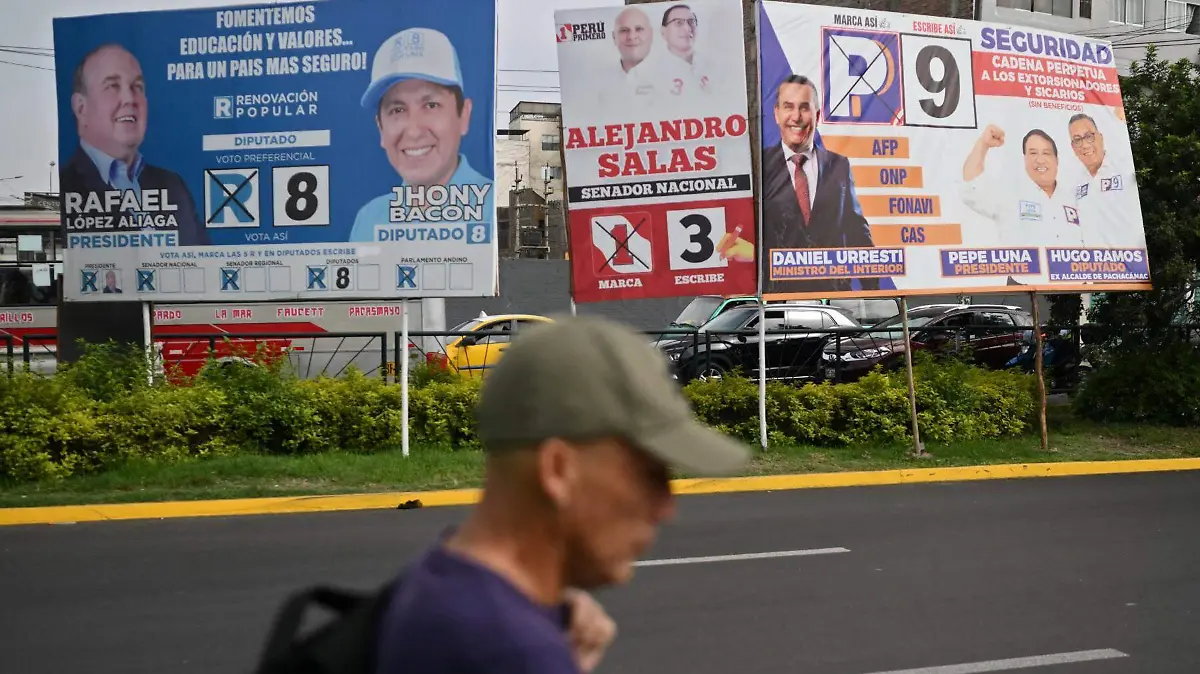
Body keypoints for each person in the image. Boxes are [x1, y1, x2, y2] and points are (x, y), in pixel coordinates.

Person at [372, 315, 750, 674]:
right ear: (557, 470)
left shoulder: (437, 588)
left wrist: (542, 613)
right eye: (649, 476)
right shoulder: (509, 652)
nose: (666, 509)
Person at [350, 27, 494, 243]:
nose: (414, 131)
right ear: (380, 128)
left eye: (431, 105)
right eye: (397, 110)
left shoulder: (493, 210)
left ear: (464, 116)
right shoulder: (369, 220)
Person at [60, 43, 208, 246]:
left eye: (137, 87)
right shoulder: (67, 186)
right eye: (112, 86)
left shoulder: (173, 186)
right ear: (81, 108)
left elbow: (204, 257)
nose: (129, 99)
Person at [761, 74, 877, 294]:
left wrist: (872, 290)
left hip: (832, 296)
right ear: (777, 114)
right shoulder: (760, 166)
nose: (796, 117)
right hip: (777, 298)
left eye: (804, 108)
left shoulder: (839, 165)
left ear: (816, 115)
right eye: (788, 107)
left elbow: (857, 231)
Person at [959, 124, 1085, 285]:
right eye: (1033, 153)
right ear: (1025, 159)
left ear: (1057, 160)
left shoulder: (1074, 197)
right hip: (1025, 290)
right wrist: (983, 143)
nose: (1040, 159)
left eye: (1046, 153)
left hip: (1073, 290)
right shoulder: (1009, 195)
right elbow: (971, 186)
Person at [1065, 113, 1145, 249]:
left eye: (1089, 136)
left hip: (1129, 257)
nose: (1085, 145)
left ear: (1100, 138)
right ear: (1073, 147)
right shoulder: (1074, 186)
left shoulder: (1124, 170)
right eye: (1077, 140)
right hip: (1092, 260)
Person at [594, 7, 659, 110]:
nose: (632, 36)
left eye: (639, 29)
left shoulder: (671, 78)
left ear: (651, 34)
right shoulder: (597, 83)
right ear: (614, 37)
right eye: (624, 30)